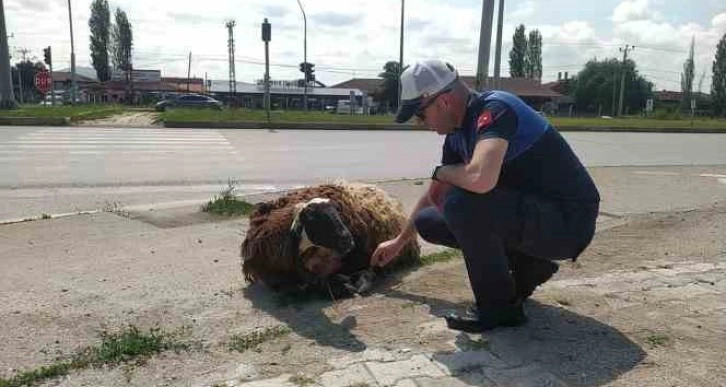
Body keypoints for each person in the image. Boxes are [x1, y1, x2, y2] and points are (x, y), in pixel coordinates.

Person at [370, 59, 600, 332]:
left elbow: (480, 180)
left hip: (569, 223)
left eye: (421, 114)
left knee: (462, 203)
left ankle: (499, 309)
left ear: (442, 102)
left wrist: (443, 172)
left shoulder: (496, 109)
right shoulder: (456, 136)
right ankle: (529, 265)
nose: (422, 123)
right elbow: (435, 195)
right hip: (538, 219)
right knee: (429, 221)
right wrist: (398, 242)